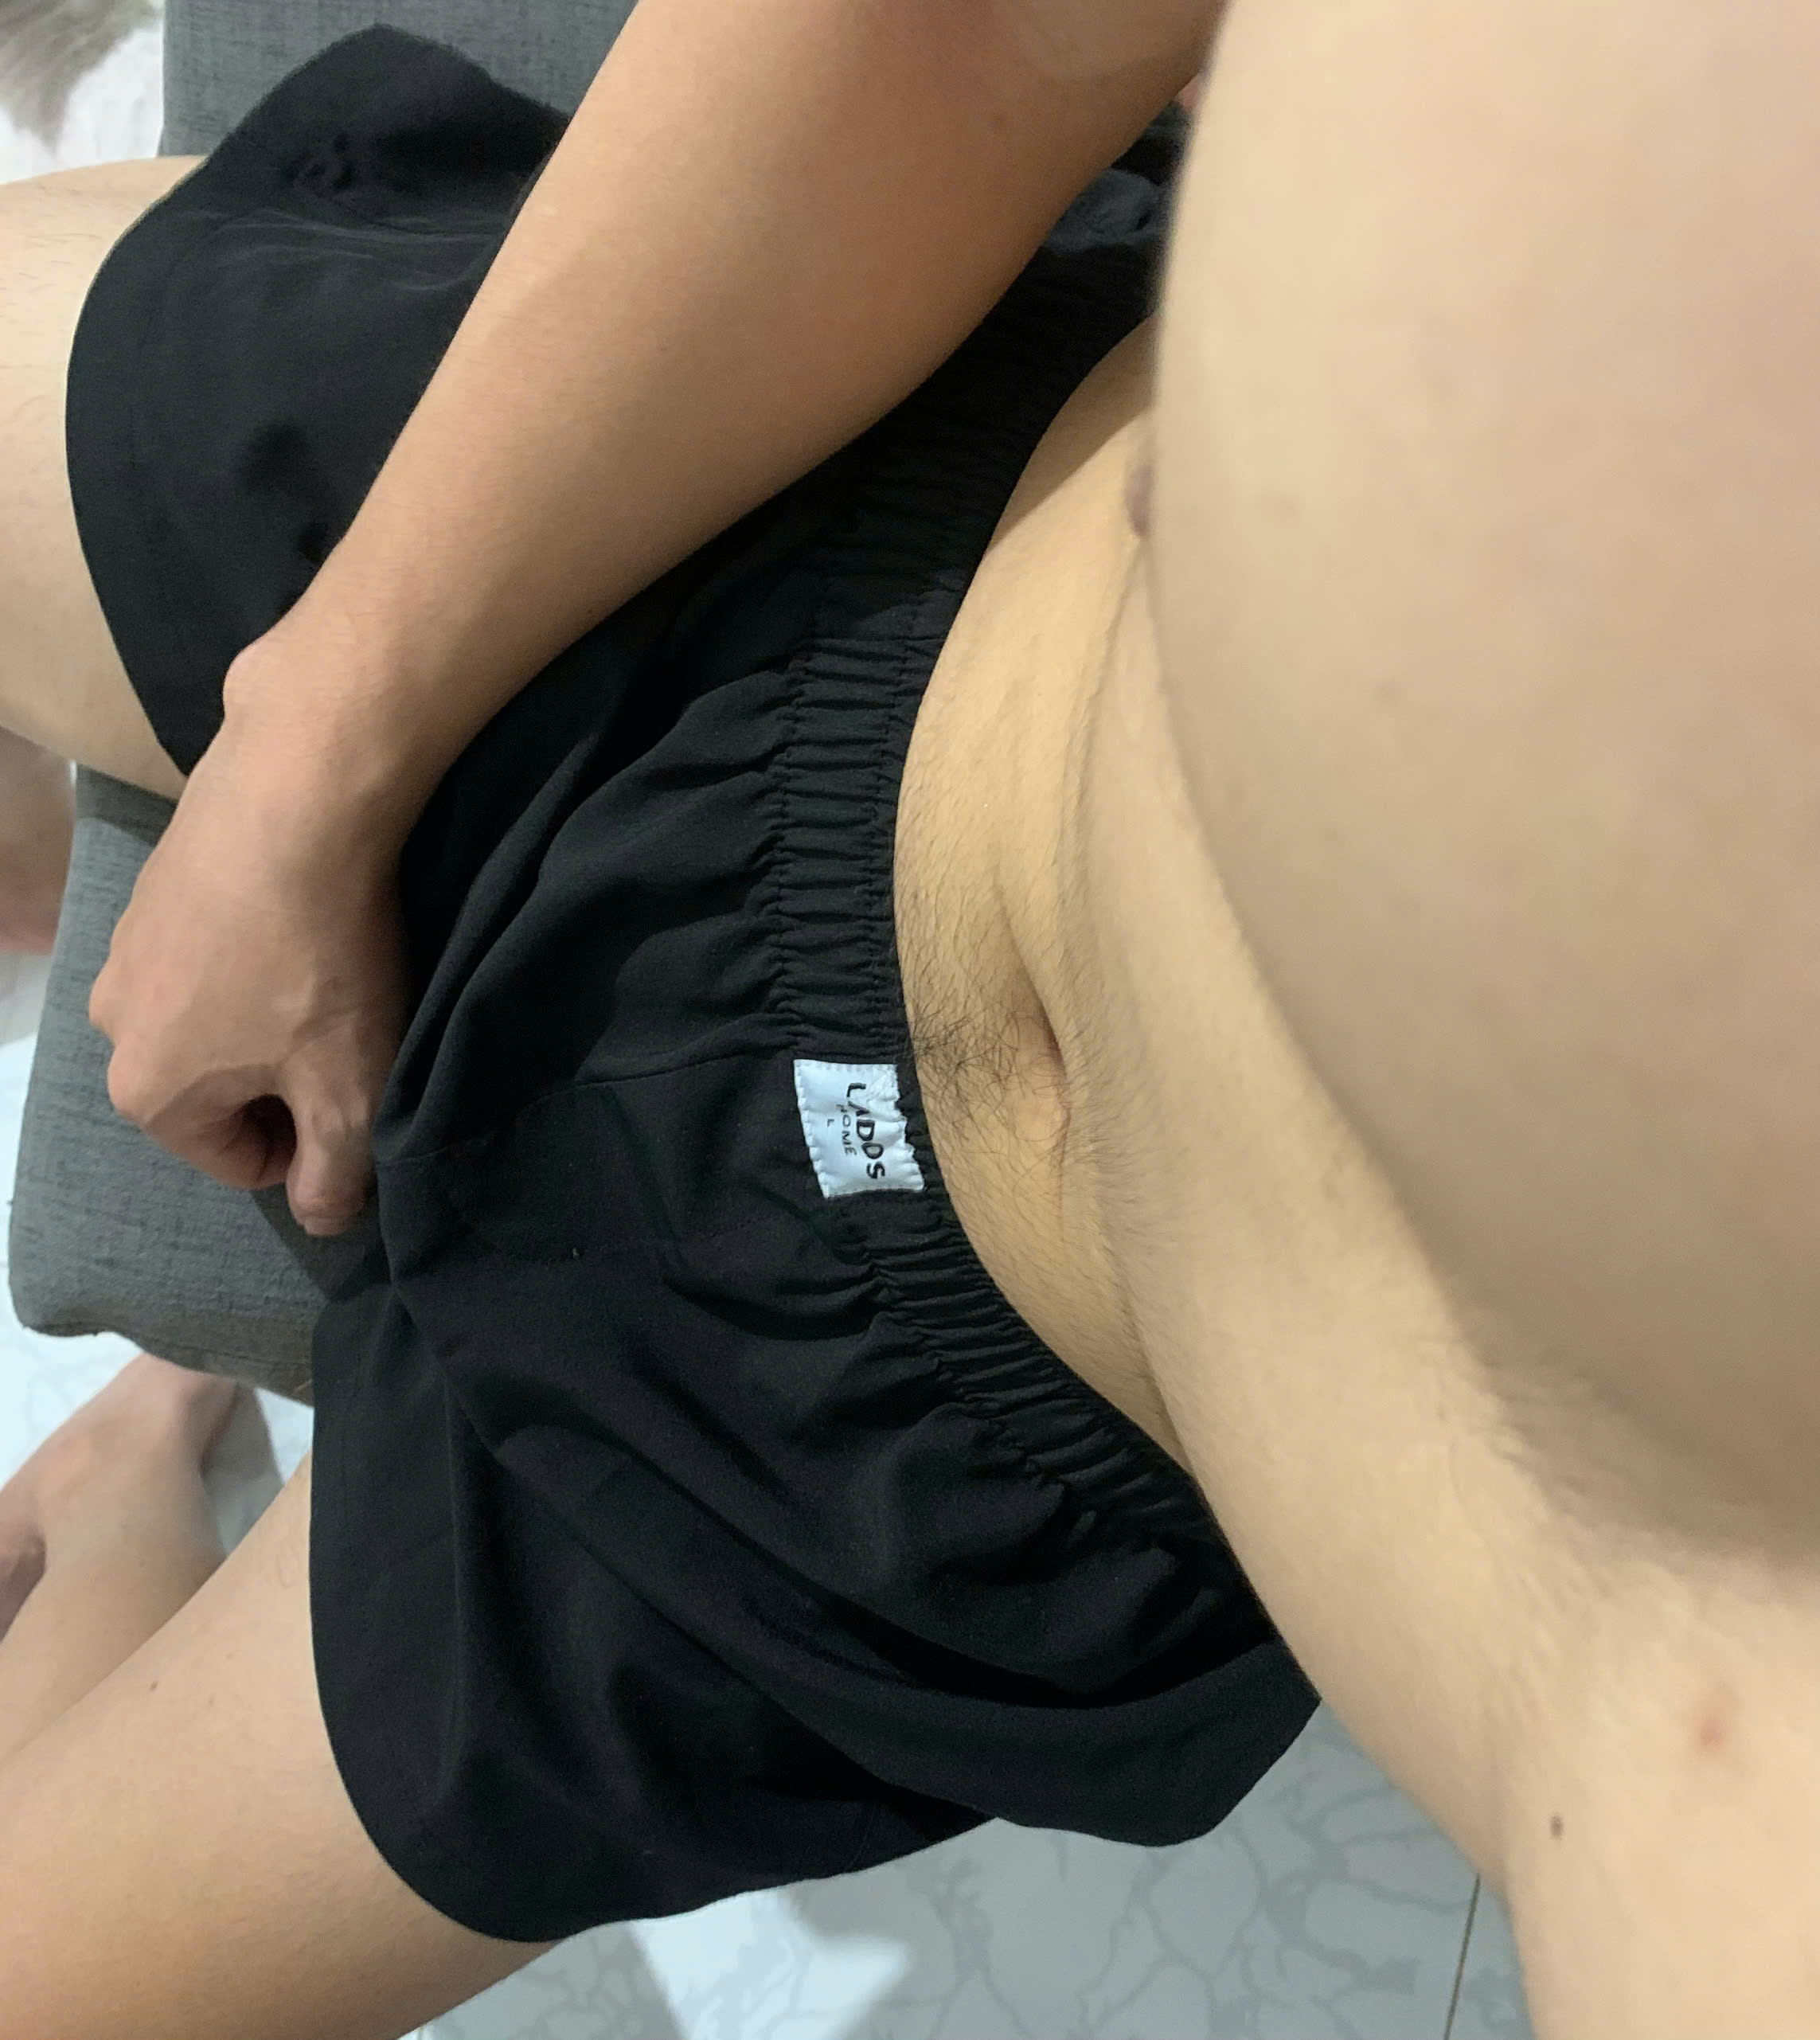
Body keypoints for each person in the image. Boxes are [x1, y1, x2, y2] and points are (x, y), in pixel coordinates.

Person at [2, 9, 1818, 2040]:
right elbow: (991, 30)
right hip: (779, 539)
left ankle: (126, 1464)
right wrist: (313, 741)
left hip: (839, 1495)